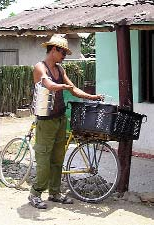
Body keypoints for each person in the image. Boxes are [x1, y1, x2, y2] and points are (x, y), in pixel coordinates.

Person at [28, 34, 104, 209]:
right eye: (63, 52)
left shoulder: (60, 69)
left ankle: (54, 193)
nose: (64, 55)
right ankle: (35, 193)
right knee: (44, 159)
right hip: (45, 121)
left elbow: (73, 89)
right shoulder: (41, 68)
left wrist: (92, 96)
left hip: (60, 118)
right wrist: (63, 86)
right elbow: (49, 85)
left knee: (58, 158)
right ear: (54, 49)